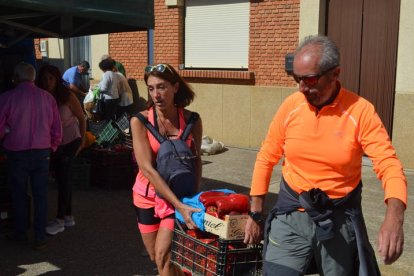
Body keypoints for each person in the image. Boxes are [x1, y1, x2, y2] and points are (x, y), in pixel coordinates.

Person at [244, 35, 407, 276]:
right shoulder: (291, 106)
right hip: (291, 214)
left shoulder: (360, 111)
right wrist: (255, 213)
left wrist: (394, 219)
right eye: (296, 79)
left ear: (335, 73)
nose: (301, 88)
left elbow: (388, 164)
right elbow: (267, 156)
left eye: (309, 79)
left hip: (337, 219)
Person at [129, 63, 203, 276]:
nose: (156, 94)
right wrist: (179, 204)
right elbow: (146, 168)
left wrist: (190, 200)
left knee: (164, 256)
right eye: (151, 88)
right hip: (146, 197)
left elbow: (195, 162)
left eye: (161, 87)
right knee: (157, 258)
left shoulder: (192, 120)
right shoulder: (140, 121)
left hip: (179, 197)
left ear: (176, 87)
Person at [0, 62, 62, 249]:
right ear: (34, 78)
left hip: (16, 153)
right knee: (40, 195)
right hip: (42, 152)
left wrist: (7, 133)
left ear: (16, 78)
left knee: (19, 195)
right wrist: (52, 146)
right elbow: (57, 128)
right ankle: (40, 237)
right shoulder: (47, 98)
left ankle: (21, 233)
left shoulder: (6, 97)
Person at [38, 65, 87, 236]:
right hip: (53, 144)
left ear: (57, 79)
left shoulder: (67, 95)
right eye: (45, 78)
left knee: (63, 178)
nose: (48, 81)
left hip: (70, 140)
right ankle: (68, 216)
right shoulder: (41, 96)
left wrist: (81, 142)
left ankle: (59, 220)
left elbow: (81, 119)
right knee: (62, 176)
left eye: (51, 78)